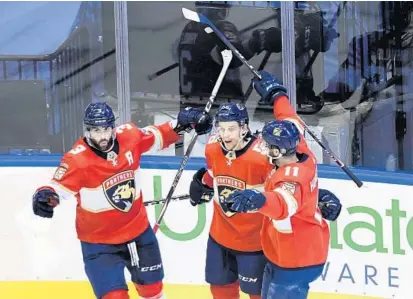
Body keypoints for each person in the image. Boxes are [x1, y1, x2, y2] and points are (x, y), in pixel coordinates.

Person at [31, 102, 212, 299]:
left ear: (113, 127)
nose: (102, 136)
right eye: (95, 130)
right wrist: (44, 197)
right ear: (88, 130)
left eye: (106, 129)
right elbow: (55, 187)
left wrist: (185, 122)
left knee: (153, 292)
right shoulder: (77, 160)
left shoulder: (130, 136)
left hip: (138, 233)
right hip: (99, 244)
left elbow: (158, 135)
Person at [189, 100, 341, 299]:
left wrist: (316, 196)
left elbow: (286, 187)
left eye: (231, 129)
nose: (225, 135)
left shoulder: (264, 156)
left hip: (254, 242)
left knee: (258, 294)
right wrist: (204, 183)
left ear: (244, 127)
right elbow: (215, 173)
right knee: (220, 288)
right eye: (222, 128)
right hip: (219, 236)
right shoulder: (212, 147)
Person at [225, 71, 340, 299]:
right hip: (285, 253)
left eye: (267, 145)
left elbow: (282, 204)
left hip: (296, 259)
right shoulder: (299, 149)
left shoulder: (292, 178)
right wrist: (277, 95)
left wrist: (257, 200)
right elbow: (288, 118)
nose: (262, 147)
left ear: (277, 151)